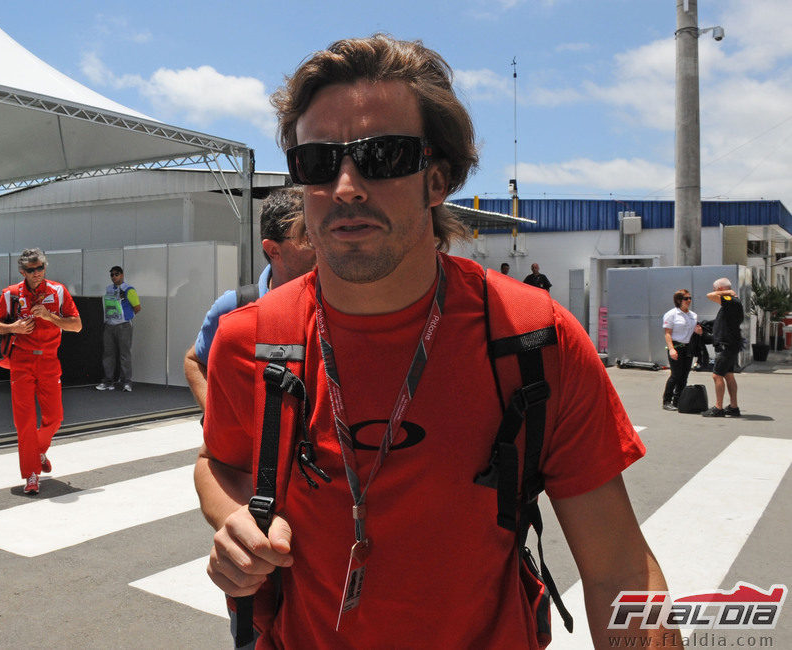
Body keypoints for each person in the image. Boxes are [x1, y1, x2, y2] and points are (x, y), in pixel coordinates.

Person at [195, 34, 677, 649]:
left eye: (383, 155)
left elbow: (619, 572)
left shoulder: (534, 338)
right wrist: (235, 520)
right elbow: (219, 462)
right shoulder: (251, 341)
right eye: (318, 161)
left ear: (438, 179)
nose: (345, 186)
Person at [183, 186, 315, 411]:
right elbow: (195, 361)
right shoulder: (236, 306)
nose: (320, 244)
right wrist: (215, 422)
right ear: (273, 250)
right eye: (308, 237)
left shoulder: (335, 301)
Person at [0, 248, 82, 495]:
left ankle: (38, 451)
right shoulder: (11, 294)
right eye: (30, 269)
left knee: (55, 417)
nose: (36, 273)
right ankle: (31, 474)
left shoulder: (58, 291)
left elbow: (77, 325)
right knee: (25, 422)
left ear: (45, 267)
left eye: (40, 267)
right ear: (22, 271)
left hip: (50, 361)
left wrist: (51, 317)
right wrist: (14, 327)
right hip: (21, 362)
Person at [96, 266, 141, 392]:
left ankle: (127, 382)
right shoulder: (109, 289)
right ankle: (108, 381)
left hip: (123, 325)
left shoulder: (129, 289)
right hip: (110, 324)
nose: (114, 277)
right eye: (112, 275)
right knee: (108, 354)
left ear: (122, 275)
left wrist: (126, 317)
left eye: (116, 274)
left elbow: (137, 307)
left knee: (124, 354)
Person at [703, 277, 743, 417]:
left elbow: (710, 296)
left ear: (720, 289)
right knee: (728, 375)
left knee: (717, 375)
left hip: (726, 345)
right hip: (730, 344)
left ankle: (718, 408)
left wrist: (729, 292)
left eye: (716, 289)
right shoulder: (732, 303)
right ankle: (733, 406)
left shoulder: (730, 300)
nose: (714, 292)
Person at [661, 289, 701, 410]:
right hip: (676, 346)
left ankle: (678, 400)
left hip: (688, 347)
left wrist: (698, 331)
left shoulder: (693, 315)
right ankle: (667, 401)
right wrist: (672, 349)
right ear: (679, 300)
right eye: (686, 298)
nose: (688, 301)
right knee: (676, 375)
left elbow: (693, 330)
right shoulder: (671, 314)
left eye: (690, 298)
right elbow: (667, 333)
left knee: (684, 375)